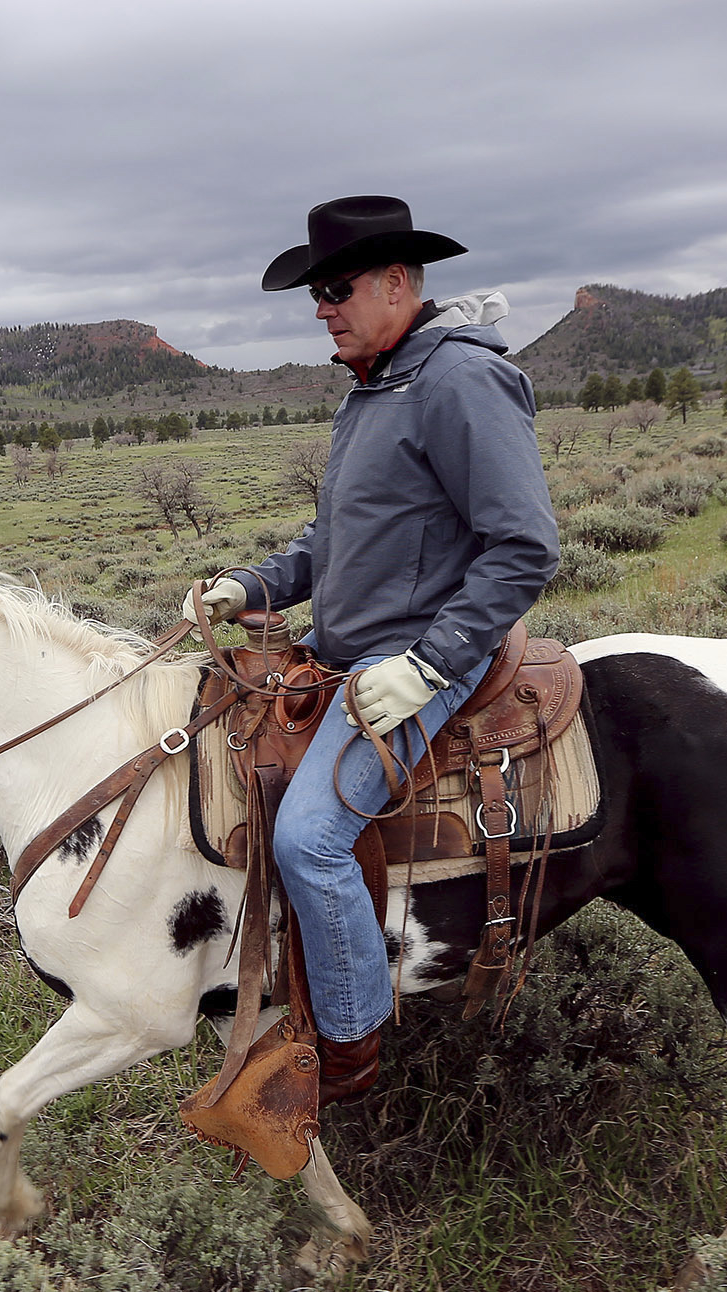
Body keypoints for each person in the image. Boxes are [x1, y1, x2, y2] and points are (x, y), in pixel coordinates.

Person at [184, 195, 557, 1104]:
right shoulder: (376, 387)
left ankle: (349, 1054)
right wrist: (254, 585)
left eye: (336, 288)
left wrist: (429, 663)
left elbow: (524, 545)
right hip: (346, 651)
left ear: (398, 282)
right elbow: (337, 541)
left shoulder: (456, 380)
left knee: (311, 835)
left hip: (423, 659)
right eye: (316, 292)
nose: (322, 307)